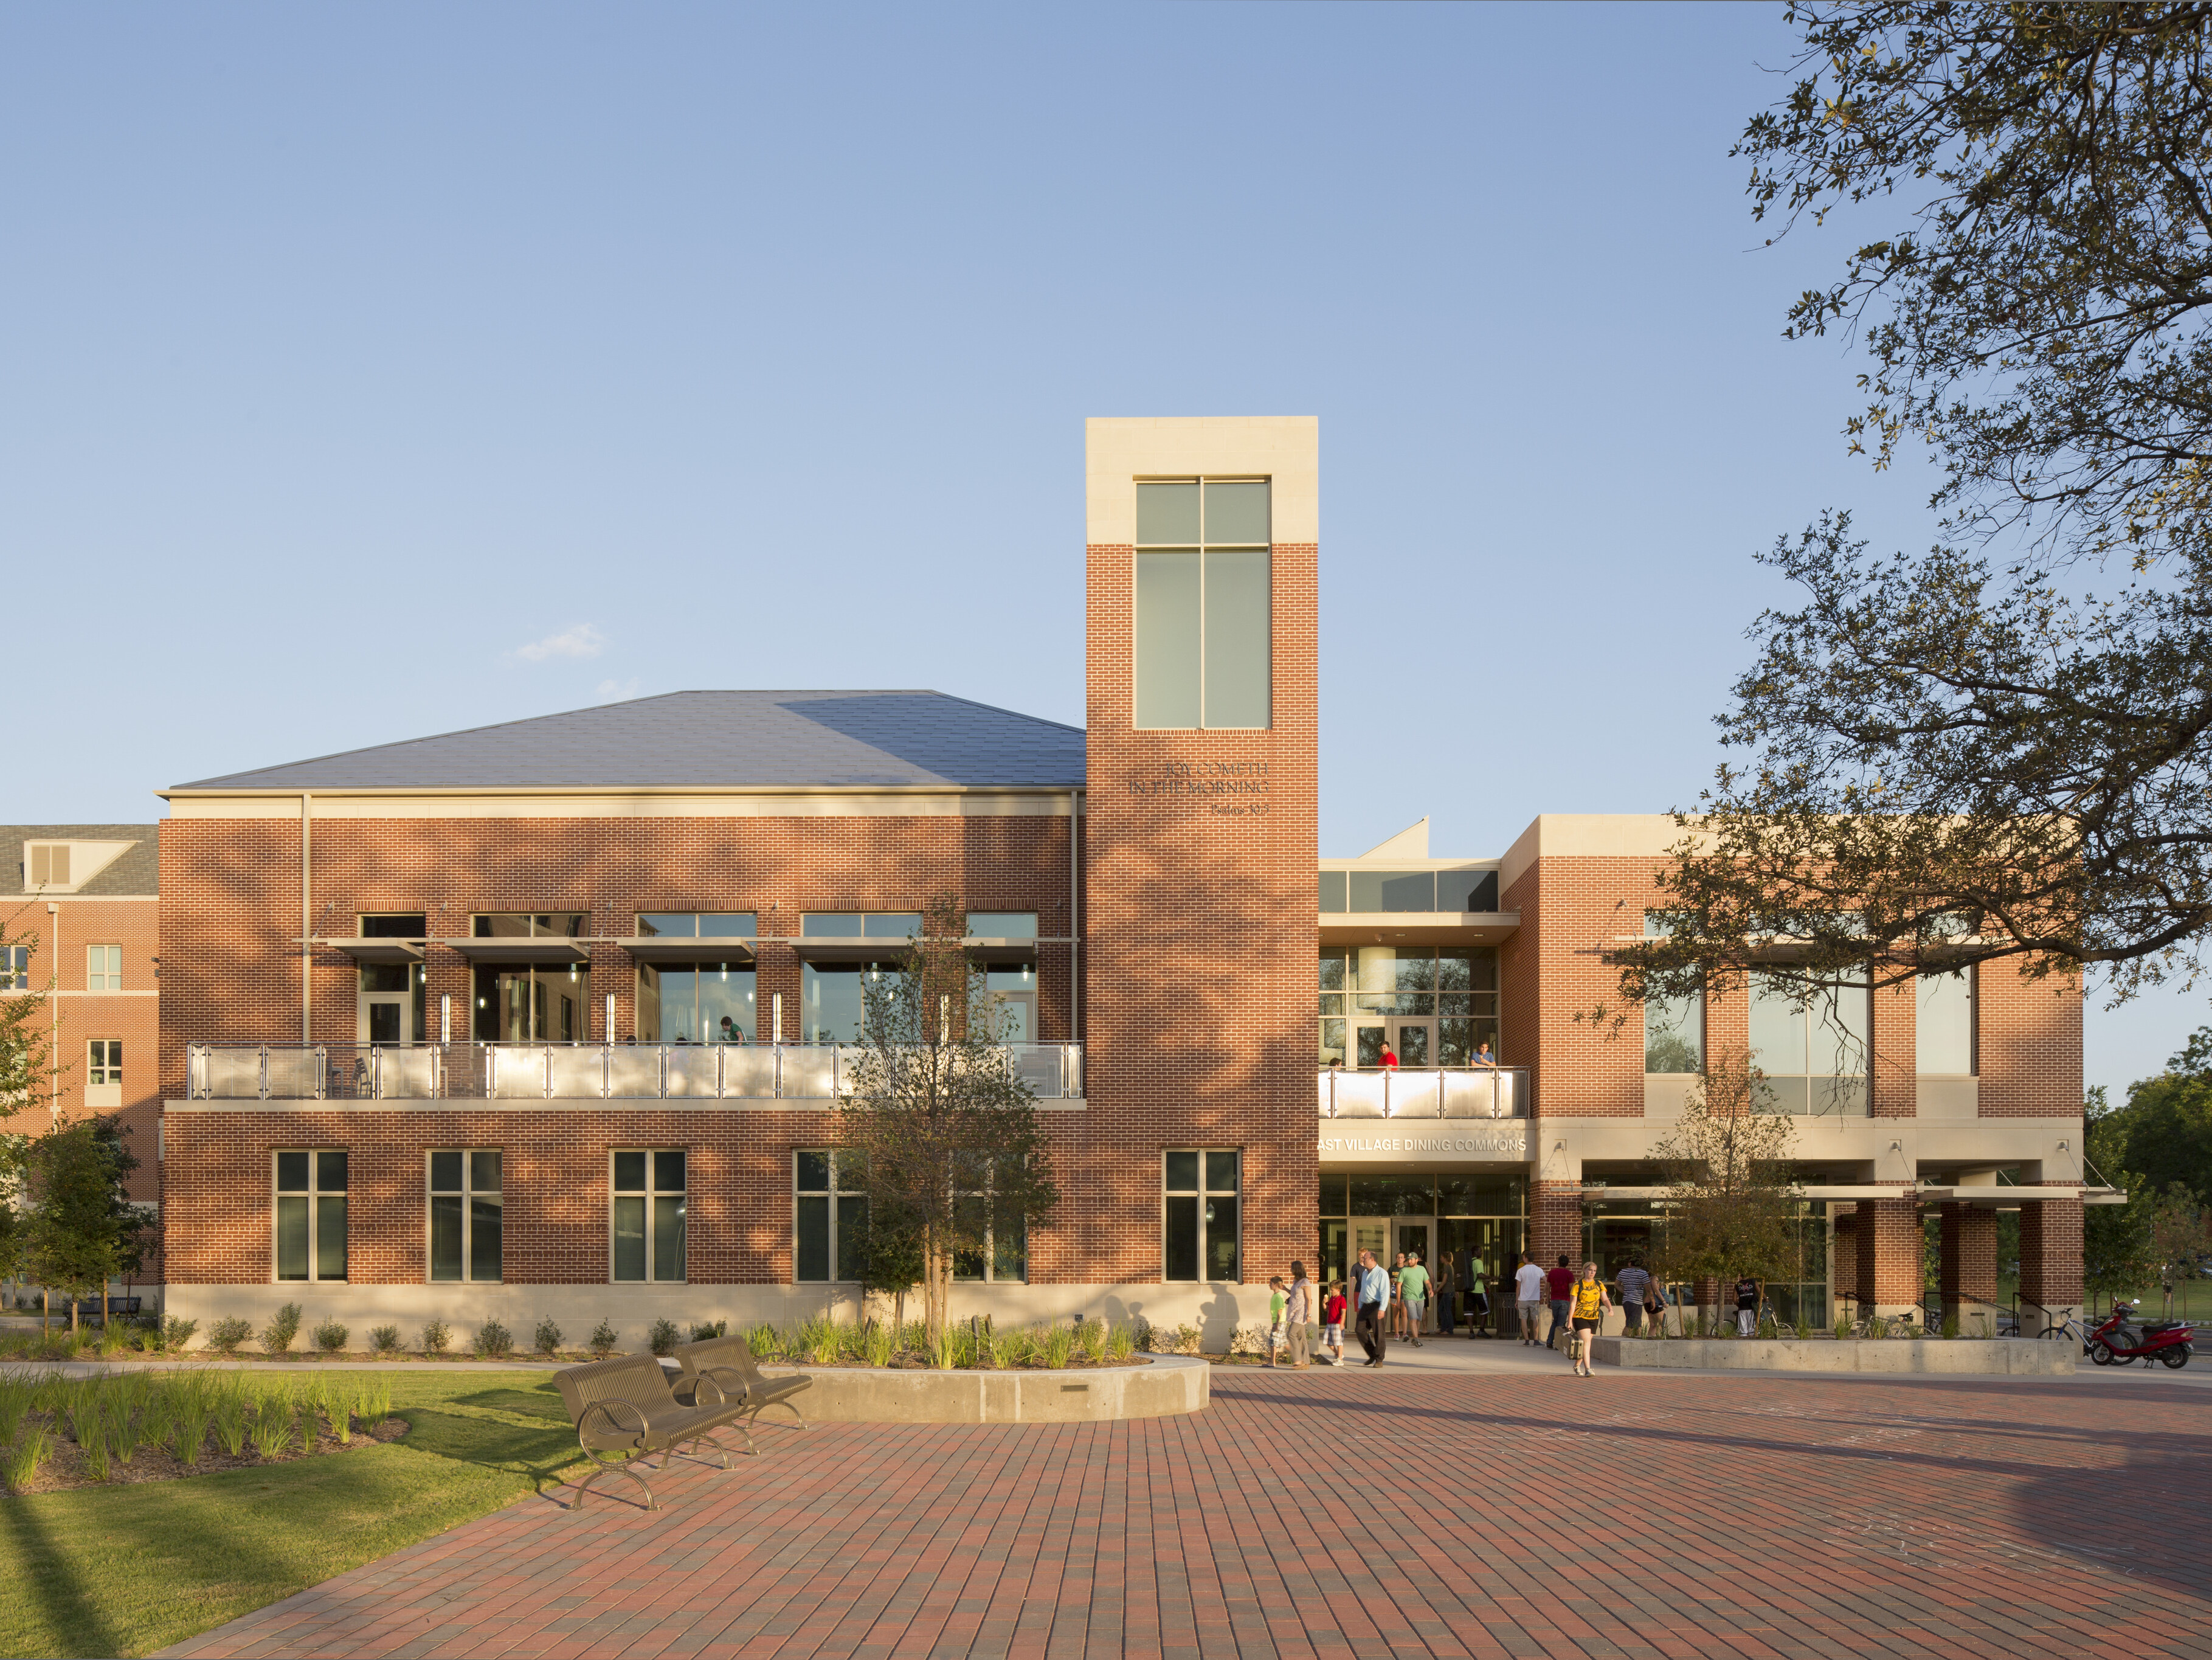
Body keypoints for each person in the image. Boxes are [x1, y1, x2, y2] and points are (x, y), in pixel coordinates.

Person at [1568, 1261, 1611, 1378]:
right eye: (1590, 1270)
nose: (1592, 1273)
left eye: (1594, 1271)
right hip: (1580, 1316)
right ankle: (1588, 1369)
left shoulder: (1599, 1284)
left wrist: (1610, 1308)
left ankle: (1577, 1365)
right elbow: (1573, 1304)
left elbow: (1605, 1299)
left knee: (1586, 1344)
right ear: (1585, 1270)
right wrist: (1569, 1321)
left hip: (1594, 1317)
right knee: (1586, 1343)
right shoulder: (1578, 1285)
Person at [1355, 1250, 1390, 1367]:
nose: (1363, 1260)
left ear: (1372, 1259)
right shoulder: (1365, 1273)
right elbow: (1363, 1291)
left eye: (1365, 1258)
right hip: (1366, 1306)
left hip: (1377, 1305)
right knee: (1360, 1330)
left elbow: (1385, 1292)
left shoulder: (1382, 1273)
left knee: (1379, 1333)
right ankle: (1372, 1354)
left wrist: (1382, 1309)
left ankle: (1379, 1359)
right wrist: (1360, 1306)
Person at [1285, 1261, 1314, 1369]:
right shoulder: (1296, 1281)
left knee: (1291, 1334)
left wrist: (1309, 1314)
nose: (1290, 1270)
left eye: (1292, 1268)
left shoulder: (1305, 1282)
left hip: (1301, 1312)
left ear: (1296, 1269)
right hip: (1294, 1311)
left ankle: (1298, 1360)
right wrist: (1285, 1289)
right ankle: (1306, 1362)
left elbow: (1308, 1299)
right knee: (1302, 1338)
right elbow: (1294, 1294)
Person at [1545, 1254, 1576, 1351]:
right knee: (1561, 1323)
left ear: (1558, 1262)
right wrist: (1572, 1301)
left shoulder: (1552, 1273)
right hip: (1565, 1300)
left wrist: (1547, 1299)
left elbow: (1548, 1287)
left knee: (1555, 1321)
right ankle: (1557, 1343)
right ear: (1567, 1264)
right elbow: (1571, 1288)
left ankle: (1550, 1341)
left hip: (1554, 1299)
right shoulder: (1569, 1274)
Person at [1514, 1252, 1546, 1345]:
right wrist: (1543, 1293)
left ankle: (1527, 1340)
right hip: (1534, 1298)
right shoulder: (1539, 1270)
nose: (1523, 1259)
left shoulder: (1521, 1271)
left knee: (1523, 1319)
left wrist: (1517, 1300)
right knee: (1535, 1318)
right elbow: (1547, 1281)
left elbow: (1518, 1287)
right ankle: (1536, 1340)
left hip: (1523, 1299)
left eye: (1523, 1257)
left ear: (1526, 1259)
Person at [1616, 1255, 1652, 1337]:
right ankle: (1624, 1340)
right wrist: (1652, 1300)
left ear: (1630, 1264)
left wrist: (1626, 1292)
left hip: (1626, 1301)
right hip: (1636, 1301)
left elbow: (1617, 1285)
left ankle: (1639, 1339)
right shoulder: (1643, 1273)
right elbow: (1648, 1289)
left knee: (1635, 1324)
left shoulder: (1623, 1272)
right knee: (1631, 1324)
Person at [1400, 1251, 1429, 1348]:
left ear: (1417, 1260)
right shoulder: (1404, 1271)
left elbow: (1427, 1282)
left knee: (1418, 1319)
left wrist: (1431, 1289)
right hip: (1409, 1297)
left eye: (1411, 1259)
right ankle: (1416, 1339)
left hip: (1420, 1298)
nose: (1409, 1261)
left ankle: (1415, 1338)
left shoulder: (1422, 1269)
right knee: (1413, 1318)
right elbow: (1399, 1285)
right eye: (1408, 1259)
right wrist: (1399, 1300)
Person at [1321, 1279, 1348, 1365]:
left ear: (1338, 1290)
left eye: (1332, 1290)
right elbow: (1327, 1309)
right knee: (1327, 1341)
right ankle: (1338, 1354)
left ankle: (1340, 1360)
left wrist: (1342, 1323)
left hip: (1337, 1323)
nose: (1330, 1291)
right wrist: (1324, 1303)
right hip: (1330, 1323)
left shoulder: (1342, 1299)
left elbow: (1344, 1312)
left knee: (1338, 1342)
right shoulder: (1332, 1299)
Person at [1267, 1276, 1288, 1367]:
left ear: (1276, 1285)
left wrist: (1277, 1324)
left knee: (1273, 1342)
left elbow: (1280, 1311)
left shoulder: (1279, 1296)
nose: (1269, 1285)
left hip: (1279, 1322)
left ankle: (1272, 1362)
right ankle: (1299, 1357)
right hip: (1279, 1322)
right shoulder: (1276, 1296)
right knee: (1284, 1343)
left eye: (1271, 1283)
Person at [1468, 1253, 1490, 1338]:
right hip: (1479, 1290)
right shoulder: (1478, 1262)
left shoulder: (1468, 1262)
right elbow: (1480, 1275)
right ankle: (1481, 1330)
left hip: (1469, 1290)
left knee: (1469, 1312)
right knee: (1484, 1311)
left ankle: (1471, 1332)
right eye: (1480, 1251)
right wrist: (1490, 1277)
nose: (1482, 1253)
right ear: (1476, 1252)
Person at [1437, 1249, 1457, 1337]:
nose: (1440, 1259)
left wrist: (1437, 1290)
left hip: (1448, 1291)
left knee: (1446, 1310)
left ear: (1445, 1258)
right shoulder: (1451, 1267)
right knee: (1442, 1309)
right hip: (1449, 1291)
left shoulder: (1447, 1267)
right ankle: (1444, 1328)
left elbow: (1444, 1281)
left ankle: (1449, 1329)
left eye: (1442, 1257)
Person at [1735, 1273, 1763, 1337]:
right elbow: (1760, 1292)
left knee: (1743, 1332)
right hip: (1752, 1308)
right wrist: (1766, 1299)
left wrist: (1739, 1305)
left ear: (1741, 1276)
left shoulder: (1737, 1285)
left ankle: (1743, 1344)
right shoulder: (1753, 1282)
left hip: (1742, 1309)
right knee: (1753, 1330)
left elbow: (1734, 1299)